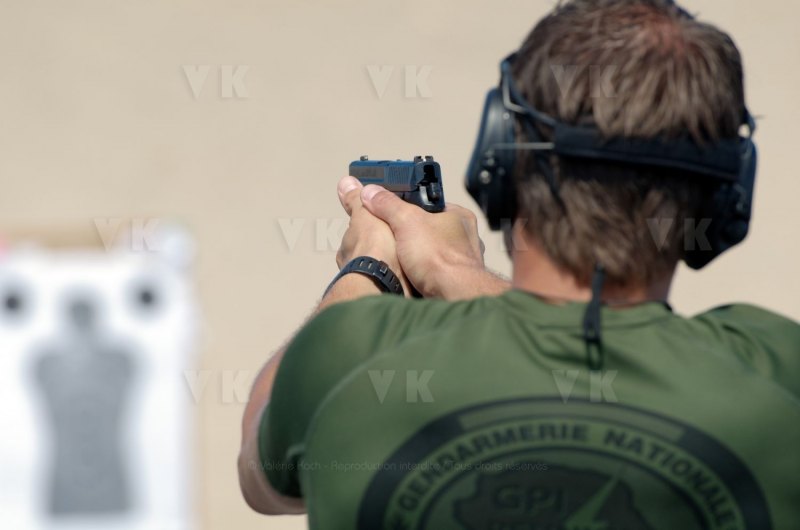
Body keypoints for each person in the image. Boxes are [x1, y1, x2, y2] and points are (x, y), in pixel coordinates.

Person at [238, 0, 800, 528]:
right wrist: (459, 273)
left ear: (500, 159)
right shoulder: (776, 370)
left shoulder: (353, 355)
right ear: (728, 196)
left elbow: (263, 474)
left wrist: (368, 268)